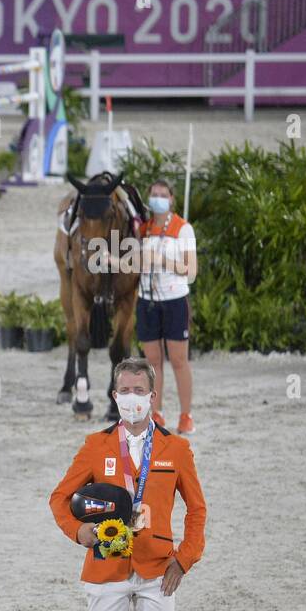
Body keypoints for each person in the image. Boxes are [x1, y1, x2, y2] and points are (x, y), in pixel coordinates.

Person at [50, 357, 206, 611]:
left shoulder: (176, 449)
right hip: (106, 568)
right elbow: (60, 499)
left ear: (152, 397)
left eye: (140, 391)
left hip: (157, 570)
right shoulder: (95, 445)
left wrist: (185, 559)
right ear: (114, 395)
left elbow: (197, 510)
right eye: (125, 390)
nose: (132, 398)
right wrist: (78, 532)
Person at [136, 179, 197, 434]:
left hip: (174, 301)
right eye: (154, 194)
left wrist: (161, 260)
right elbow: (134, 263)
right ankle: (157, 413)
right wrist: (110, 259)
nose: (158, 198)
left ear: (171, 199)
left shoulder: (183, 229)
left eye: (163, 194)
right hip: (147, 301)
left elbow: (190, 271)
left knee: (179, 361)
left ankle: (186, 415)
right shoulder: (144, 229)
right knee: (152, 362)